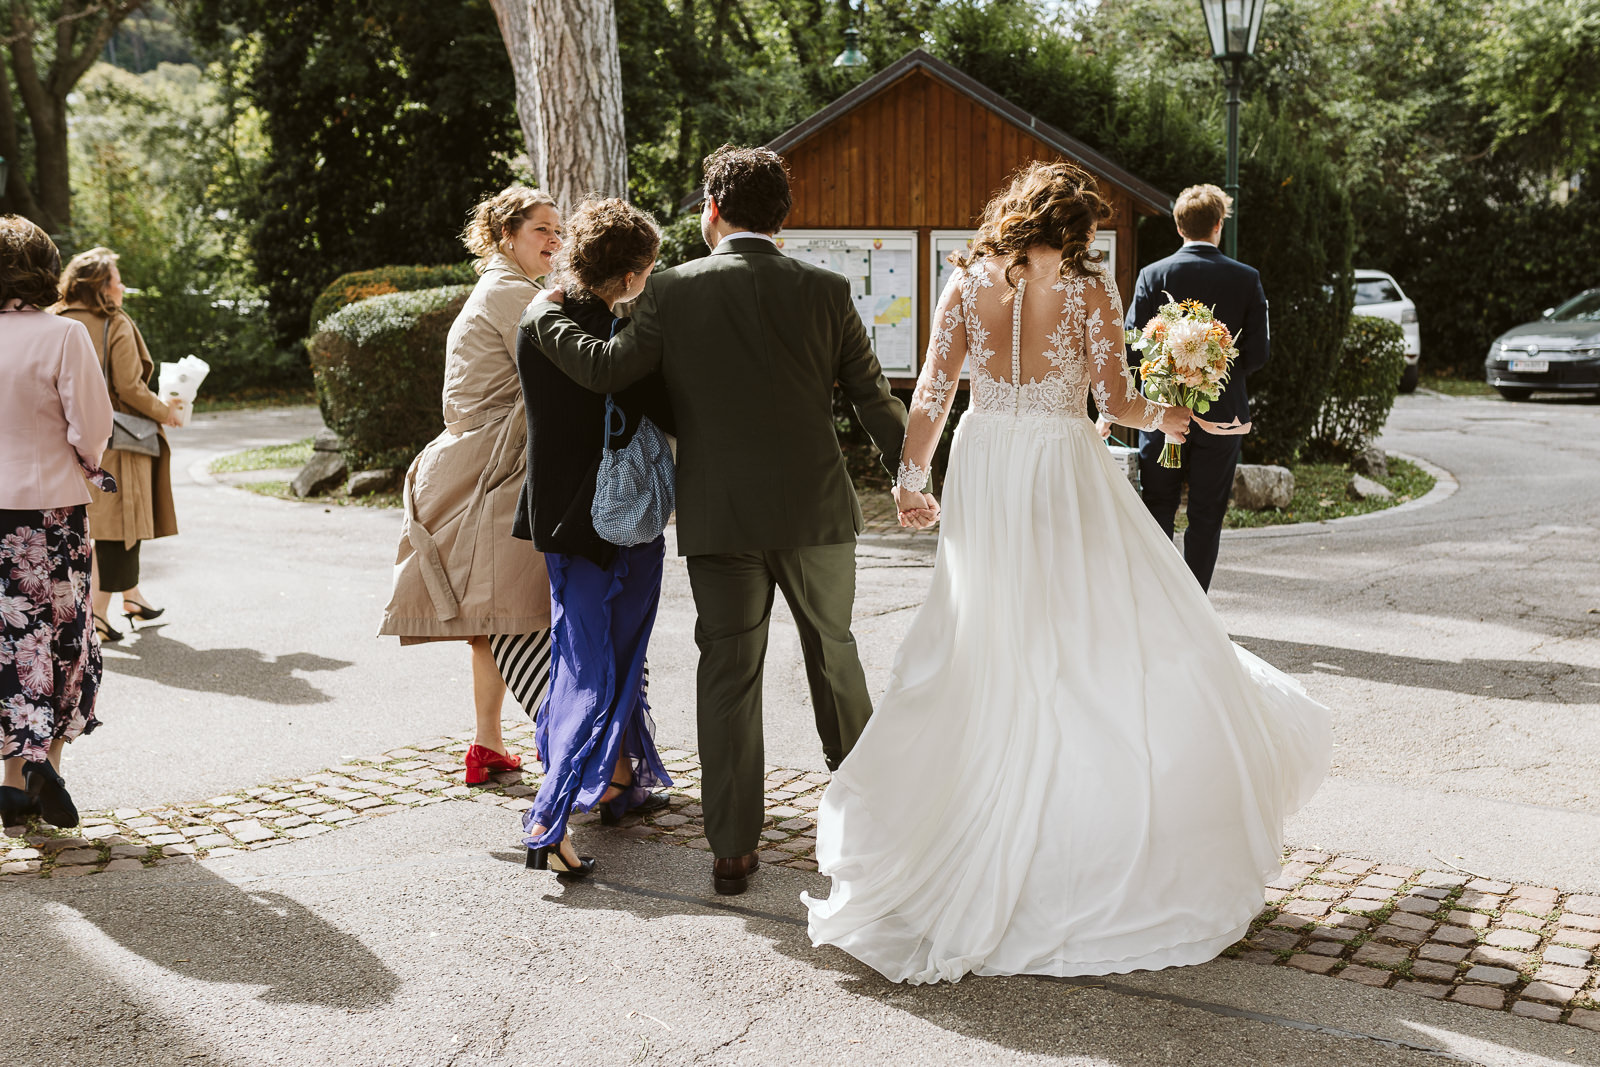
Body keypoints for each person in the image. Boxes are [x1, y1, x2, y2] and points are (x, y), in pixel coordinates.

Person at [802, 162, 1331, 984]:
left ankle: (986, 804)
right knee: (1086, 626)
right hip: (1058, 462)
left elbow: (935, 389)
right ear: (1074, 229)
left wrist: (910, 478)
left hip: (985, 461)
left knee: (986, 627)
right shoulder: (1089, 289)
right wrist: (1169, 414)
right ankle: (1084, 828)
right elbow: (1115, 402)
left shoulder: (965, 281)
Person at [524, 145, 908, 895]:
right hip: (816, 513)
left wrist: (545, 318)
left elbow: (606, 370)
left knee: (728, 674)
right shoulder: (828, 289)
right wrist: (917, 478)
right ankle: (871, 827)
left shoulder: (672, 290)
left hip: (720, 516)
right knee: (835, 660)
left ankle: (731, 849)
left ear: (712, 210)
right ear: (782, 219)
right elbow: (872, 397)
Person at [513, 198, 676, 875]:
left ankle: (617, 781)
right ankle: (548, 819)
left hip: (560, 519)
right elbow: (669, 410)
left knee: (585, 655)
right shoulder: (625, 338)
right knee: (604, 661)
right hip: (623, 521)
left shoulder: (541, 319)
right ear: (632, 274)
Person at [380, 186, 562, 785]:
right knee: (522, 611)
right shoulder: (514, 294)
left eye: (559, 230)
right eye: (542, 229)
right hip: (499, 468)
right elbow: (567, 369)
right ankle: (563, 741)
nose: (555, 240)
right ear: (507, 235)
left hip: (477, 463)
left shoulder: (501, 288)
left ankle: (487, 743)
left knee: (494, 613)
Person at [0, 216, 115, 828]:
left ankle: (10, 786)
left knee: (7, 642)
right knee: (58, 637)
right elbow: (92, 428)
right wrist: (86, 461)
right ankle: (46, 767)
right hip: (51, 512)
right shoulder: (65, 335)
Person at [1113, 184, 1271, 592]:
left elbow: (1132, 344)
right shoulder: (1246, 278)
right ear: (1219, 224)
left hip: (1161, 415)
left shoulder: (1153, 275)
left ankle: (1158, 600)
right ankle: (1194, 605)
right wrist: (1210, 372)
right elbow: (1258, 353)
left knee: (1158, 507)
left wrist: (1171, 375)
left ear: (1179, 226)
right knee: (1206, 513)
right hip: (1222, 417)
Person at [55, 248, 183, 643]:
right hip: (115, 441)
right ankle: (98, 613)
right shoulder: (115, 323)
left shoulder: (52, 320)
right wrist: (165, 411)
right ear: (101, 287)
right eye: (117, 280)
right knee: (119, 528)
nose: (123, 286)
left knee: (88, 526)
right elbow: (129, 387)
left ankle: (133, 597)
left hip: (59, 439)